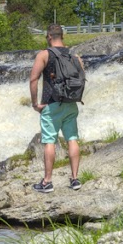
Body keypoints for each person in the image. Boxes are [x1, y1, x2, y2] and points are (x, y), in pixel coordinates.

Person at [28, 24, 84, 193]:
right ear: (62, 36)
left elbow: (33, 80)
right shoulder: (75, 56)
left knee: (49, 142)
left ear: (49, 37)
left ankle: (47, 182)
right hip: (71, 103)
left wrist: (35, 103)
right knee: (72, 139)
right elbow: (81, 79)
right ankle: (75, 179)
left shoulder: (44, 55)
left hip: (51, 104)